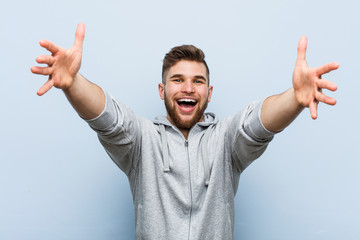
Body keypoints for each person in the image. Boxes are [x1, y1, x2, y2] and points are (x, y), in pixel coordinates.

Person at [31, 23, 339, 240]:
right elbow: (111, 119)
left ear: (209, 91)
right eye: (177, 80)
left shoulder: (226, 140)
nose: (188, 87)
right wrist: (73, 83)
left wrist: (295, 98)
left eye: (198, 81)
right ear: (162, 90)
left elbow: (255, 124)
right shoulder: (141, 140)